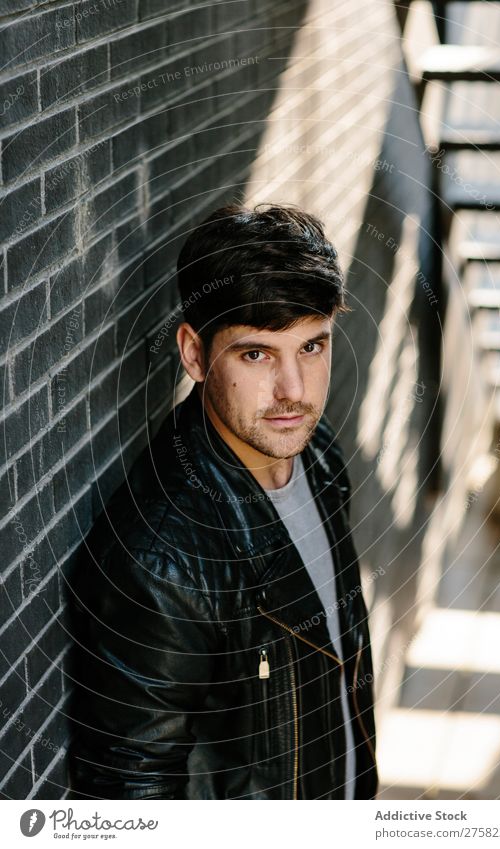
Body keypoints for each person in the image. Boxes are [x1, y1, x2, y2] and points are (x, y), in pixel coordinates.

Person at [70, 202, 378, 800]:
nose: (293, 391)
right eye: (256, 354)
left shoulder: (318, 460)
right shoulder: (162, 560)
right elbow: (131, 794)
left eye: (311, 347)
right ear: (194, 354)